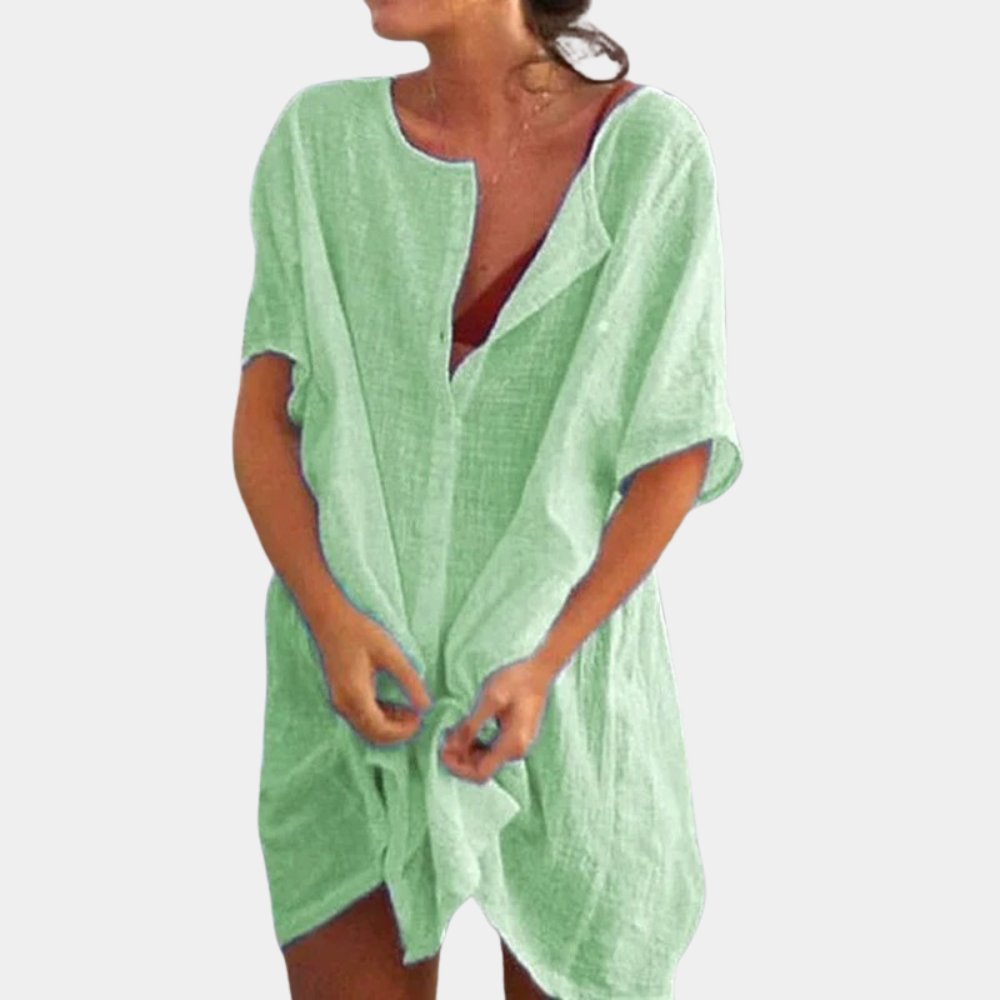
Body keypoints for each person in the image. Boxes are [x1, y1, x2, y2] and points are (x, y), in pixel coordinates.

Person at [233, 2, 744, 998]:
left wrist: (545, 660)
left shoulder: (649, 154)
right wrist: (331, 620)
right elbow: (263, 424)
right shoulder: (317, 145)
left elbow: (673, 449)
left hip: (565, 694)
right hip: (352, 697)